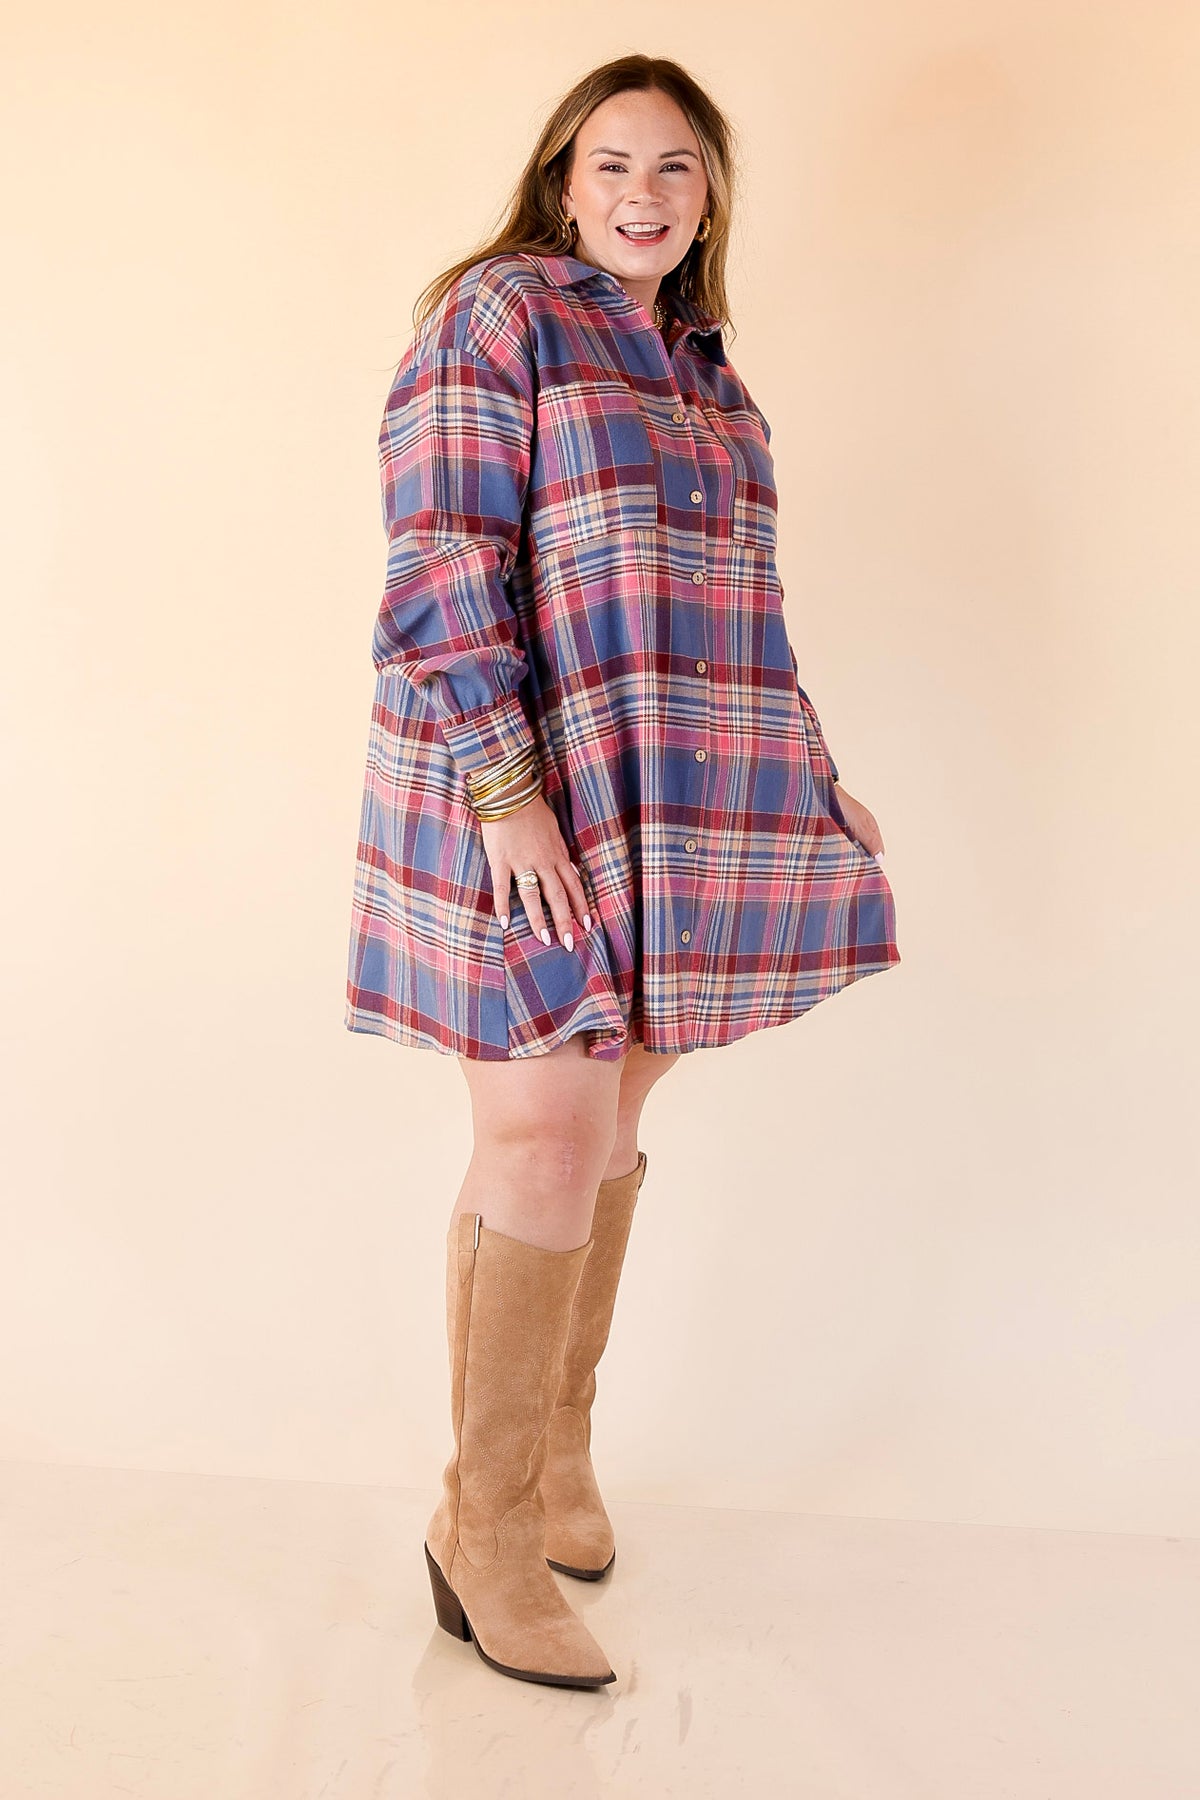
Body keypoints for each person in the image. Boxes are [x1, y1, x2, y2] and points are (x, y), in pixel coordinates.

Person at [344, 54, 900, 1691]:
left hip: (680, 796)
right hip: (520, 782)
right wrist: (506, 793)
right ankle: (485, 1527)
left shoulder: (709, 373)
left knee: (605, 1123)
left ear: (709, 195)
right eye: (612, 164)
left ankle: (556, 1458)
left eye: (675, 167)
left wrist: (817, 774)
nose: (643, 194)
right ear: (561, 181)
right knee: (541, 1128)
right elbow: (440, 559)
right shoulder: (499, 315)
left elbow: (739, 607)